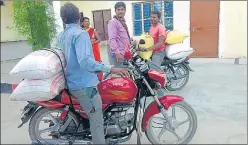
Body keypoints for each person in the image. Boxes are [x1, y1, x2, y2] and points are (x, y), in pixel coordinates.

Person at [58, 3, 129, 144]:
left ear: (63, 18)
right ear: (79, 16)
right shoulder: (80, 34)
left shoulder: (62, 35)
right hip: (84, 85)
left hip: (73, 81)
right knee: (97, 120)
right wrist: (110, 69)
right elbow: (85, 62)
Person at [107, 1, 135, 68]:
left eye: (122, 9)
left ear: (125, 10)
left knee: (125, 72)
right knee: (119, 74)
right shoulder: (113, 22)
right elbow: (112, 39)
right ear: (115, 11)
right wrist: (117, 53)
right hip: (117, 54)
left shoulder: (122, 22)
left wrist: (130, 42)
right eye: (118, 10)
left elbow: (122, 37)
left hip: (124, 52)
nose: (120, 11)